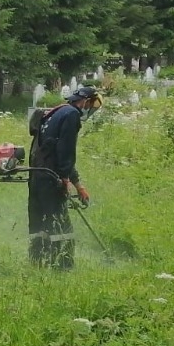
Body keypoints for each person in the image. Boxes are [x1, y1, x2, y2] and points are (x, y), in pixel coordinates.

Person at [28, 86, 100, 269]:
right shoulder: (71, 115)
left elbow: (51, 151)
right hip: (52, 178)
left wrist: (78, 185)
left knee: (40, 222)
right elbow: (65, 151)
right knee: (60, 224)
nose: (91, 109)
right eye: (92, 104)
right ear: (85, 101)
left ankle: (37, 261)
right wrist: (64, 178)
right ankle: (63, 266)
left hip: (37, 175)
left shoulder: (55, 112)